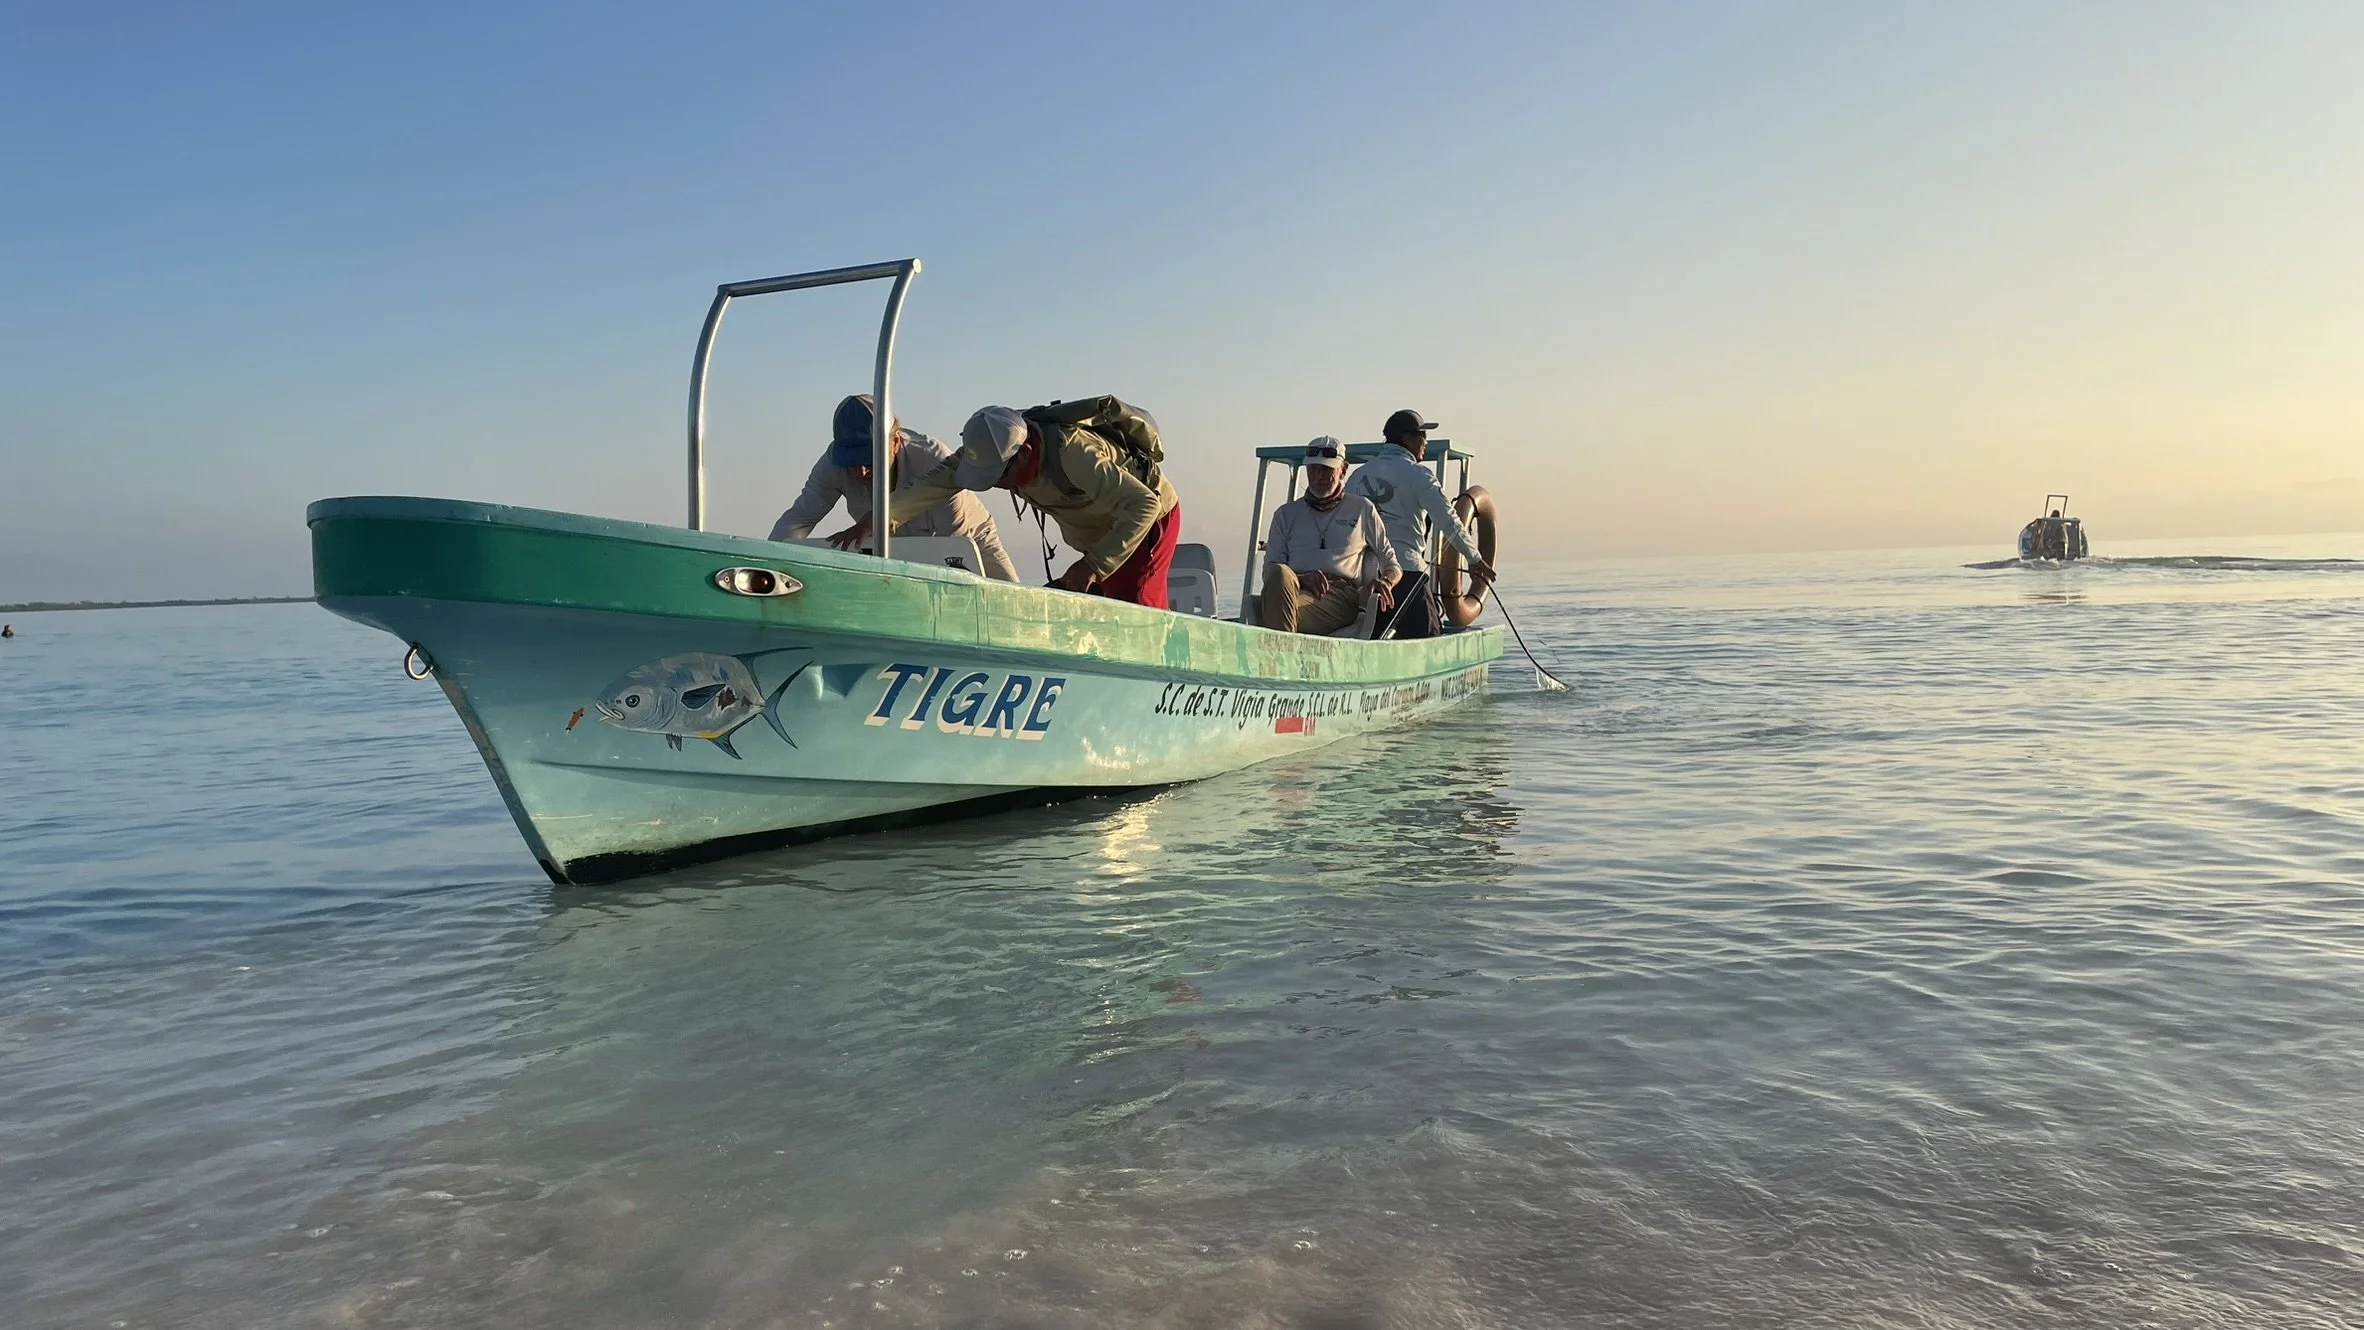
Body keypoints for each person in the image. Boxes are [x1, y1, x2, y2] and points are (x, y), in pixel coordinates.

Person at [863, 397, 1182, 609]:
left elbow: (1143, 505)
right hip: (1099, 526)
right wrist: (880, 519)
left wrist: (1093, 565)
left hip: (1148, 518)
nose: (999, 485)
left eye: (1000, 475)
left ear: (1026, 452)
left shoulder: (1074, 453)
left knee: (1136, 605)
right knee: (1101, 605)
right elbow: (936, 482)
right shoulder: (985, 450)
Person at [767, 394, 1019, 582]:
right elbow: (798, 520)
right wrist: (769, 565)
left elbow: (955, 548)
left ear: (895, 441)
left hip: (970, 540)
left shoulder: (934, 459)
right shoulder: (832, 464)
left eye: (869, 458)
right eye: (851, 462)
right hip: (888, 547)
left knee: (1014, 600)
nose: (862, 471)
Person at [1344, 408, 1493, 637]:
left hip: (1367, 579)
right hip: (1407, 575)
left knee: (1371, 638)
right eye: (1422, 436)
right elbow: (1449, 522)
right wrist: (1474, 559)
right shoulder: (1419, 475)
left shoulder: (1357, 477)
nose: (1426, 442)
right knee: (1428, 638)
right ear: (1407, 439)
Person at [1260, 437, 1399, 634]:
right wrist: (1302, 578)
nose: (1318, 476)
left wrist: (1385, 581)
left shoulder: (1362, 509)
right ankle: (1285, 654)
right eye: (1313, 469)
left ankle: (1277, 656)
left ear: (1343, 470)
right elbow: (1268, 572)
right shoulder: (1285, 514)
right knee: (1279, 573)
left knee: (1278, 611)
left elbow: (1392, 564)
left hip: (1339, 595)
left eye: (1326, 469)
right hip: (1293, 589)